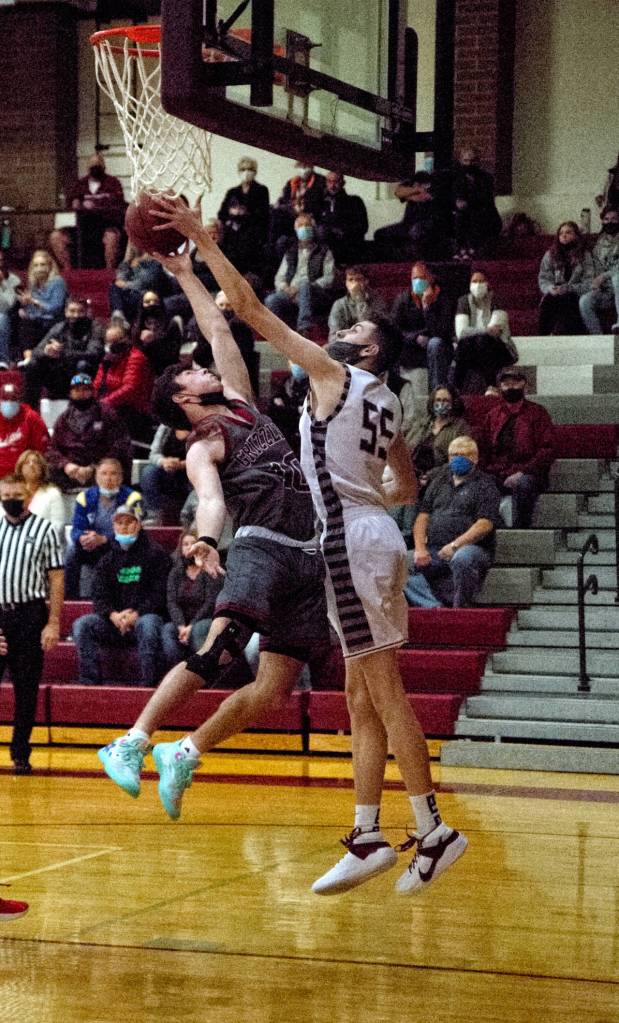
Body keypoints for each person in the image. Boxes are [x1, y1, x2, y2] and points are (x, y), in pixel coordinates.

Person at [160, 198, 468, 896]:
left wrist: (199, 239)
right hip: (371, 534)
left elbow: (241, 304)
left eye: (352, 328)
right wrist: (362, 500)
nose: (339, 330)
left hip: (350, 545)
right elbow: (406, 480)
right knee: (361, 696)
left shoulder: (333, 375)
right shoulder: (386, 398)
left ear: (364, 350)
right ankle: (366, 833)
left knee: (384, 695)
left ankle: (433, 829)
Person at [98, 247, 329, 828]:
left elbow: (218, 326)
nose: (207, 367)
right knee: (219, 650)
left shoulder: (243, 405)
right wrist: (204, 538)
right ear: (183, 396)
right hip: (261, 547)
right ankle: (132, 739)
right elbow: (211, 498)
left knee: (274, 688)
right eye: (195, 371)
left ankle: (188, 750)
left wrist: (183, 272)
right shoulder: (204, 443)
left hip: (307, 556)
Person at [0, 473, 63, 773]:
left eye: (16, 494)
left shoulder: (45, 529)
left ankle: (20, 753)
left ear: (27, 494)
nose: (11, 500)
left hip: (29, 614)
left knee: (26, 688)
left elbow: (57, 578)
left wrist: (53, 622)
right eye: (6, 495)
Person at [72, 504, 169, 687]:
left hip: (143, 618)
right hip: (114, 622)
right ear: (113, 527)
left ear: (139, 524)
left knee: (148, 624)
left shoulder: (156, 554)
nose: (123, 527)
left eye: (129, 522)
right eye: (119, 523)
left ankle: (149, 683)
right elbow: (99, 596)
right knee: (82, 625)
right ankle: (89, 682)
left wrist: (135, 614)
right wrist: (113, 615)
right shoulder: (107, 558)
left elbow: (160, 594)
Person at [405, 436, 501, 608]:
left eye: (464, 454)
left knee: (462, 558)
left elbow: (484, 524)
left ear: (475, 458)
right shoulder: (439, 482)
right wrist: (420, 548)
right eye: (453, 454)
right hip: (434, 547)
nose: (458, 458)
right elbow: (422, 517)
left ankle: (460, 609)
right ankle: (434, 607)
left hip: (471, 548)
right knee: (400, 562)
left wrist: (455, 545)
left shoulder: (486, 485)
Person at [478, 367, 556, 528]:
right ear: (500, 388)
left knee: (524, 484)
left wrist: (523, 472)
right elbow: (483, 449)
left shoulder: (538, 413)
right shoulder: (492, 415)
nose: (511, 387)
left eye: (515, 382)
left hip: (528, 473)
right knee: (480, 484)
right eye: (506, 384)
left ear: (525, 385)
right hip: (497, 472)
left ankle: (520, 530)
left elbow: (547, 450)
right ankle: (489, 531)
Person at [64, 457, 142, 599]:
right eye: (104, 473)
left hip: (120, 545)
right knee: (71, 552)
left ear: (121, 477)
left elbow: (135, 530)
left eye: (113, 473)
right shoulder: (84, 497)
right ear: (96, 477)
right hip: (93, 546)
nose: (108, 478)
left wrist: (104, 538)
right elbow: (76, 529)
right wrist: (82, 538)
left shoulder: (132, 497)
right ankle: (70, 599)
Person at [46, 373, 132, 492]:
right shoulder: (63, 419)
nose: (81, 393)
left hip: (101, 467)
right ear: (71, 393)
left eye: (85, 390)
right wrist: (66, 465)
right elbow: (53, 448)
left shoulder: (107, 413)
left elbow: (120, 443)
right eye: (77, 390)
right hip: (72, 470)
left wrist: (95, 467)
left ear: (92, 392)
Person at [23, 296, 104, 410]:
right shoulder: (59, 327)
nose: (76, 315)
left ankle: (81, 407)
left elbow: (94, 354)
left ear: (87, 312)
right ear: (66, 312)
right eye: (72, 311)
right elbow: (37, 351)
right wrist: (47, 351)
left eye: (80, 311)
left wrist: (63, 353)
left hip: (84, 374)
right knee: (33, 364)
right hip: (61, 374)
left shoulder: (95, 327)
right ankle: (29, 409)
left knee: (82, 364)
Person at [161, 528, 224, 670]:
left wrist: (191, 626)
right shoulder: (176, 572)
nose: (189, 547)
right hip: (182, 623)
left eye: (193, 543)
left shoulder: (209, 569)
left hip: (205, 619)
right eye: (185, 544)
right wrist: (181, 625)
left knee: (199, 629)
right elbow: (172, 602)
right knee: (167, 630)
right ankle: (176, 674)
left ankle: (203, 674)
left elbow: (210, 602)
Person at [50, 152, 125, 270]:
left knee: (111, 237)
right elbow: (71, 204)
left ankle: (109, 273)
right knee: (56, 236)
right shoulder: (80, 184)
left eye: (98, 166)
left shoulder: (113, 183)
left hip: (105, 225)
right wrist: (77, 204)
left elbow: (118, 205)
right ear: (88, 168)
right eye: (93, 166)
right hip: (82, 226)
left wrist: (96, 205)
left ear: (104, 167)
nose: (95, 169)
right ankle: (68, 271)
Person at [266, 213, 335, 334]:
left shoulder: (324, 251)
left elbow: (329, 278)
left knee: (305, 285)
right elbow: (279, 278)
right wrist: (286, 288)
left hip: (315, 294)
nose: (304, 228)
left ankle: (303, 328)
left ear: (313, 229)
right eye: (301, 226)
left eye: (307, 225)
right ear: (296, 230)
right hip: (291, 293)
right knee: (271, 300)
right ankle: (279, 333)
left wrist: (304, 288)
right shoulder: (290, 252)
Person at [391, 262, 453, 391]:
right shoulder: (403, 299)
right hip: (411, 347)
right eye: (415, 278)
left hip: (438, 347)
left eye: (422, 278)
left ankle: (437, 393)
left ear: (431, 279)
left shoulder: (443, 299)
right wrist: (415, 338)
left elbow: (442, 332)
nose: (418, 281)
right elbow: (395, 330)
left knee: (435, 343)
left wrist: (427, 308)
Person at [452, 270, 517, 392]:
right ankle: (457, 389)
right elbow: (461, 332)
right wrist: (484, 330)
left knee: (482, 340)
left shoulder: (496, 300)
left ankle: (491, 386)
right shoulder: (463, 301)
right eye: (474, 281)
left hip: (498, 348)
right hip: (470, 349)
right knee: (465, 343)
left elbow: (494, 332)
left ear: (487, 283)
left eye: (481, 281)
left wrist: (476, 332)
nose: (478, 285)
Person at [93, 322, 155, 449]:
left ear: (126, 339)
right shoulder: (107, 359)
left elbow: (130, 388)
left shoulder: (136, 357)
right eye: (109, 341)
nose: (112, 345)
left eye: (116, 340)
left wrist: (104, 403)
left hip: (134, 409)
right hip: (112, 406)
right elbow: (97, 384)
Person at [374, 172, 450, 263]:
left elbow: (424, 197)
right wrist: (417, 190)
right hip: (407, 223)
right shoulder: (414, 186)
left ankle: (418, 263)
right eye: (414, 185)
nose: (415, 186)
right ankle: (395, 262)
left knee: (416, 231)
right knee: (380, 234)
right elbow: (398, 192)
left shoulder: (436, 184)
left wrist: (412, 194)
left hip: (429, 223)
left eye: (419, 184)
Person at [537, 222, 594, 335]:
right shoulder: (550, 255)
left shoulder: (584, 255)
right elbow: (543, 278)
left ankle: (572, 337)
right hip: (556, 293)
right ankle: (543, 338)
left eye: (568, 232)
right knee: (549, 300)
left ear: (576, 236)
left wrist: (569, 288)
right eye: (561, 233)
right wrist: (550, 288)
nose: (564, 235)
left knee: (567, 301)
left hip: (576, 292)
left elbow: (589, 281)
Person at [450, 147, 502, 260]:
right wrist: (457, 202)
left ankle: (470, 250)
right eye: (466, 161)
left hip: (483, 215)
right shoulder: (455, 178)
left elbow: (485, 199)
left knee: (473, 216)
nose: (469, 164)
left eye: (472, 161)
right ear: (460, 160)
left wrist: (467, 202)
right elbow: (452, 197)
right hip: (461, 215)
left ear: (478, 161)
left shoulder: (486, 178)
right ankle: (461, 250)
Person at [16, 250, 67, 362]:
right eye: (36, 265)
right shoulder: (33, 284)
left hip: (54, 322)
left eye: (43, 264)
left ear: (49, 266)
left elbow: (56, 308)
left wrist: (34, 302)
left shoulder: (58, 282)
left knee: (30, 325)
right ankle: (28, 359)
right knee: (23, 320)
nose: (39, 268)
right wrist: (25, 308)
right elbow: (33, 312)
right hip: (38, 321)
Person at [578, 207, 619, 334]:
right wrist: (595, 283)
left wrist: (603, 276)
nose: (609, 222)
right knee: (585, 300)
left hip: (617, 285)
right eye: (606, 219)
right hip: (606, 291)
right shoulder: (599, 244)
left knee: (617, 278)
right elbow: (595, 267)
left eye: (614, 219)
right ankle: (597, 337)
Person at [140, 423, 190, 525]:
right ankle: (153, 514)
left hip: (192, 471)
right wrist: (164, 461)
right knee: (148, 472)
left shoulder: (201, 427)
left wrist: (182, 464)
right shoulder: (166, 427)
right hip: (167, 470)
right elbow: (153, 454)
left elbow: (205, 457)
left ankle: (190, 517)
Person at [109, 245, 171, 325]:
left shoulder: (153, 263)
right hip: (131, 293)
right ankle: (118, 315)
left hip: (147, 294)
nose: (135, 246)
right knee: (114, 288)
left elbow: (144, 283)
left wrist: (126, 284)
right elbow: (119, 279)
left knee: (135, 294)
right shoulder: (129, 261)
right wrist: (129, 263)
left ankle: (122, 317)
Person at [0, 380, 49, 478]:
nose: (9, 403)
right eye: (5, 399)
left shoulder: (31, 418)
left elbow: (42, 450)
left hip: (22, 476)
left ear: (19, 400)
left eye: (13, 399)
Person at [316, 171, 369, 264]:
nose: (332, 185)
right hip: (325, 245)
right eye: (329, 181)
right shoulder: (321, 203)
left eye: (336, 182)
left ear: (343, 183)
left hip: (347, 243)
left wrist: (341, 231)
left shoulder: (354, 202)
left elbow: (363, 226)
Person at [217, 156, 270, 247]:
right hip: (231, 233)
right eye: (243, 169)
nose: (246, 172)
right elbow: (222, 214)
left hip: (252, 235)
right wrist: (233, 213)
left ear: (255, 172)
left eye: (250, 169)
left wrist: (243, 212)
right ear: (239, 172)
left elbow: (262, 215)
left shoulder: (261, 190)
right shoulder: (232, 192)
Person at [327, 266, 387, 343]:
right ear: (346, 283)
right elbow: (334, 336)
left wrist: (360, 301)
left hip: (371, 343)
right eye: (350, 280)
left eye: (358, 279)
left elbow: (369, 330)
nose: (355, 284)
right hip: (347, 345)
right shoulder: (339, 304)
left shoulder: (377, 301)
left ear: (366, 281)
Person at [14, 449, 64, 538]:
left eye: (36, 462)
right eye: (27, 462)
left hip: (44, 543)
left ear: (42, 468)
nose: (31, 465)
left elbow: (58, 526)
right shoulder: (13, 493)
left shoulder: (52, 493)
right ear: (20, 468)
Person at [130, 290, 182, 376]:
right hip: (144, 370)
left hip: (166, 369)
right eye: (147, 302)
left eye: (155, 301)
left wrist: (154, 341)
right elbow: (135, 352)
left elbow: (173, 353)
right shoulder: (137, 326)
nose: (151, 304)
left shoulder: (171, 325)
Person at [0, 251, 22, 368]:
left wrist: (3, 284)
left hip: (6, 315)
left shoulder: (14, 280)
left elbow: (8, 305)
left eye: (1, 261)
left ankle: (3, 360)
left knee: (1, 318)